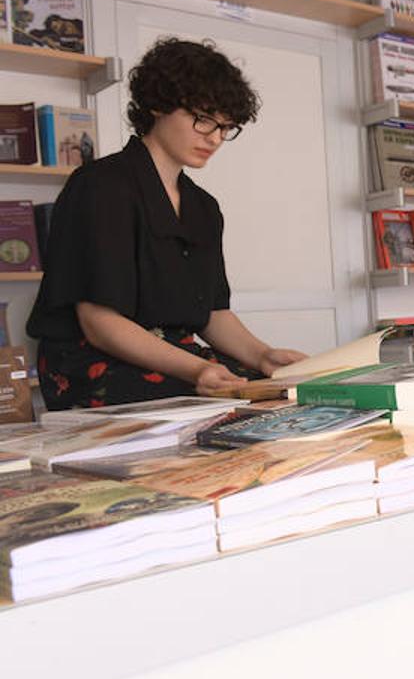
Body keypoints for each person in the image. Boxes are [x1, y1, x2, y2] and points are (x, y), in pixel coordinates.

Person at [27, 38, 306, 410]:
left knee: (280, 393)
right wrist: (197, 370)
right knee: (222, 405)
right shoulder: (99, 186)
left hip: (175, 357)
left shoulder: (204, 207)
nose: (215, 138)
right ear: (158, 103)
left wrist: (263, 356)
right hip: (90, 358)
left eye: (226, 127)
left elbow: (212, 314)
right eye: (204, 119)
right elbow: (99, 323)